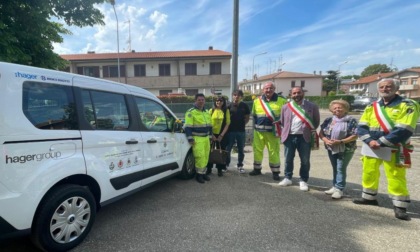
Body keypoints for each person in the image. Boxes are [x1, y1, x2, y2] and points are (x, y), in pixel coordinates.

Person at [353, 78, 419, 220]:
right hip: (371, 146)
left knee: (395, 175)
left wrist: (382, 142)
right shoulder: (372, 106)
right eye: (382, 87)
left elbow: (405, 128)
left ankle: (400, 205)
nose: (385, 89)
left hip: (394, 146)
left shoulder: (408, 104)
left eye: (388, 87)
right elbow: (362, 126)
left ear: (396, 88)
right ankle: (369, 197)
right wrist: (370, 141)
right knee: (369, 171)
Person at [278, 86, 320, 191]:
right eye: (294, 93)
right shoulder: (285, 107)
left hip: (304, 137)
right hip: (289, 136)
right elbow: (283, 121)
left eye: (299, 92)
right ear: (291, 95)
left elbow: (316, 121)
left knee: (305, 160)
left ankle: (303, 180)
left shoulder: (312, 106)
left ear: (303, 93)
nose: (296, 95)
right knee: (288, 159)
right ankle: (288, 178)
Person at [319, 100, 358, 199]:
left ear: (345, 109)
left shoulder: (351, 120)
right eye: (335, 108)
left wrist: (341, 141)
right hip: (331, 147)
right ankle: (335, 186)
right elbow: (321, 133)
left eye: (340, 107)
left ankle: (339, 189)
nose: (337, 109)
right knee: (335, 167)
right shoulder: (329, 120)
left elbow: (355, 135)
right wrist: (325, 140)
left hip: (345, 148)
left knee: (341, 168)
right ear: (331, 110)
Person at [250, 81, 287, 180]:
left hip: (273, 133)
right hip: (258, 132)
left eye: (271, 88)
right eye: (266, 88)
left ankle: (275, 172)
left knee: (273, 152)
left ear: (274, 89)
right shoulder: (257, 101)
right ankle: (257, 169)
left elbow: (286, 116)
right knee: (257, 151)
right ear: (263, 90)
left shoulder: (282, 100)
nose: (268, 90)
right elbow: (254, 115)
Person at [184, 93, 212, 184]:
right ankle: (199, 175)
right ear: (195, 101)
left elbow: (210, 125)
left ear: (205, 101)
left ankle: (203, 173)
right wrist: (190, 138)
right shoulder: (191, 112)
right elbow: (187, 127)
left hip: (206, 138)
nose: (201, 101)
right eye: (199, 100)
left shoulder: (206, 112)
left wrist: (210, 137)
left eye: (202, 100)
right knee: (199, 156)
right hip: (197, 138)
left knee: (206, 156)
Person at [226, 90, 251, 174]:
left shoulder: (244, 105)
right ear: (232, 96)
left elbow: (247, 117)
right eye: (235, 95)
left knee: (241, 149)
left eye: (239, 95)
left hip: (241, 131)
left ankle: (240, 165)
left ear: (241, 97)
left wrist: (242, 124)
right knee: (228, 149)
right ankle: (226, 165)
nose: (236, 96)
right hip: (230, 131)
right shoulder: (228, 105)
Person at [206, 96, 231, 176]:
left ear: (223, 102)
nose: (219, 102)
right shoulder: (211, 110)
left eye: (221, 101)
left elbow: (227, 123)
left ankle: (220, 169)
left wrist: (221, 135)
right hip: (212, 134)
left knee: (221, 151)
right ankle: (209, 169)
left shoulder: (226, 110)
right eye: (217, 100)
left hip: (222, 135)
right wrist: (212, 134)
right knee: (210, 151)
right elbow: (208, 123)